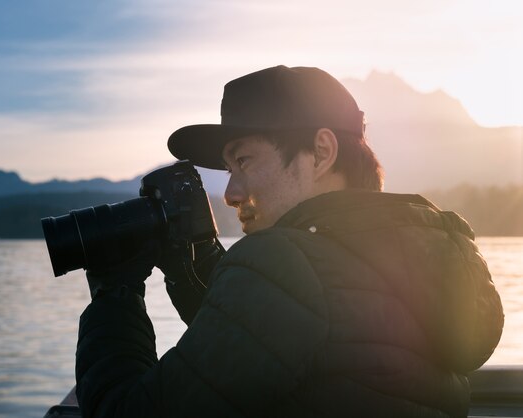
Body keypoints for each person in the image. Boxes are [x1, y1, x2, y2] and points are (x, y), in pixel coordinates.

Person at [75, 65, 504, 417]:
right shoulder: (422, 252)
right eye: (228, 171)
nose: (230, 194)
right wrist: (196, 259)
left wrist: (116, 290)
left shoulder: (285, 263)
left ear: (321, 152)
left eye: (243, 160)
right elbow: (286, 334)